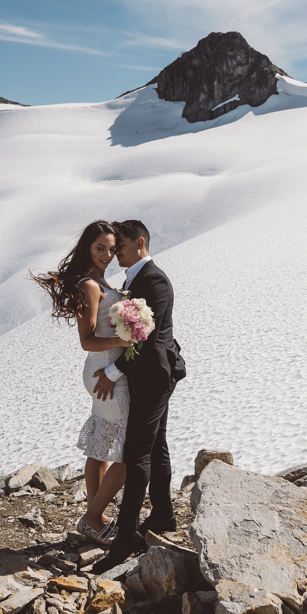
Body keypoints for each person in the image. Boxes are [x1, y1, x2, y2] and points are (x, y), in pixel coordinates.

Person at [89, 220, 186, 570]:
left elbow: (145, 339)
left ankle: (125, 540)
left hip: (154, 376)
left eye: (122, 248)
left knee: (136, 455)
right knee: (155, 445)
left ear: (140, 243)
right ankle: (162, 515)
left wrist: (112, 373)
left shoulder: (154, 281)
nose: (116, 255)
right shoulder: (134, 279)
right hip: (146, 375)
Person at [33, 220, 131, 545]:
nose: (106, 254)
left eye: (111, 249)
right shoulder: (91, 285)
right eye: (100, 247)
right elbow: (87, 340)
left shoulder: (101, 281)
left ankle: (95, 516)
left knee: (101, 446)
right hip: (105, 372)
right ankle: (92, 516)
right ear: (88, 247)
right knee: (130, 451)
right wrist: (125, 339)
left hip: (105, 371)